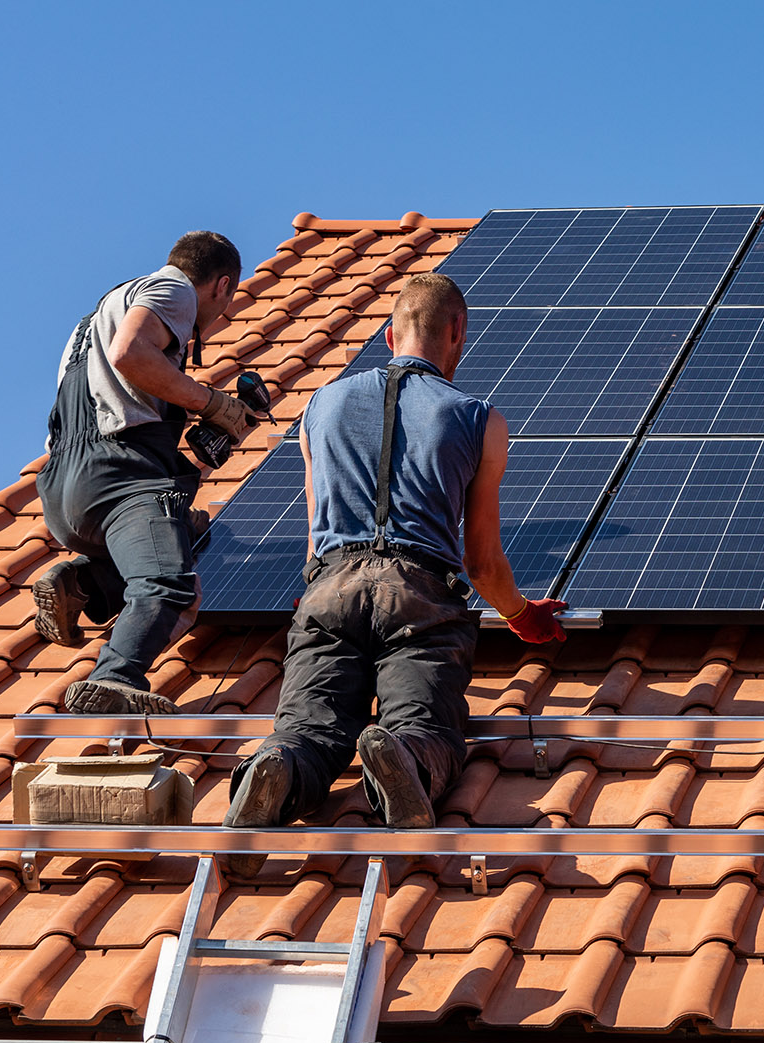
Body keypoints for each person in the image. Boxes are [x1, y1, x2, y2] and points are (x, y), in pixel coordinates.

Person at [223, 272, 567, 864]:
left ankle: (278, 766)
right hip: (419, 594)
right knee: (428, 728)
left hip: (328, 589)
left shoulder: (318, 407)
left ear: (388, 335)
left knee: (311, 731)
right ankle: (403, 754)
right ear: (457, 332)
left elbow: (313, 538)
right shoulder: (479, 419)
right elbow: (481, 561)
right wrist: (520, 615)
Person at [32, 232, 252, 714]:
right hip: (121, 475)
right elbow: (131, 354)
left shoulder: (95, 317)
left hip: (66, 489)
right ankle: (113, 682)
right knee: (171, 583)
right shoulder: (173, 291)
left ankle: (83, 584)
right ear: (221, 285)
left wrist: (195, 423)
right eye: (228, 299)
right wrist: (210, 401)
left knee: (184, 534)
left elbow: (118, 391)